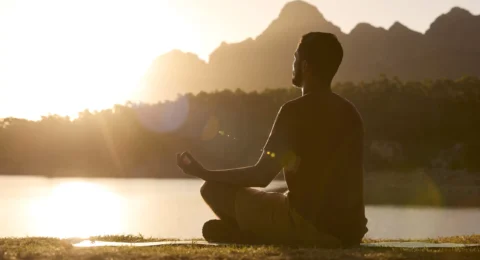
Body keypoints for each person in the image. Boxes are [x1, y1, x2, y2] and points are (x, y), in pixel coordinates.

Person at [177, 32, 368, 247]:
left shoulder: (294, 111)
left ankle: (252, 236)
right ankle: (248, 233)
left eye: (295, 58)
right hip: (351, 231)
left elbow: (262, 175)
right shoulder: (350, 112)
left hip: (309, 226)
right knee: (276, 199)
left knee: (211, 189)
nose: (293, 64)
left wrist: (204, 173)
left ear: (305, 66)